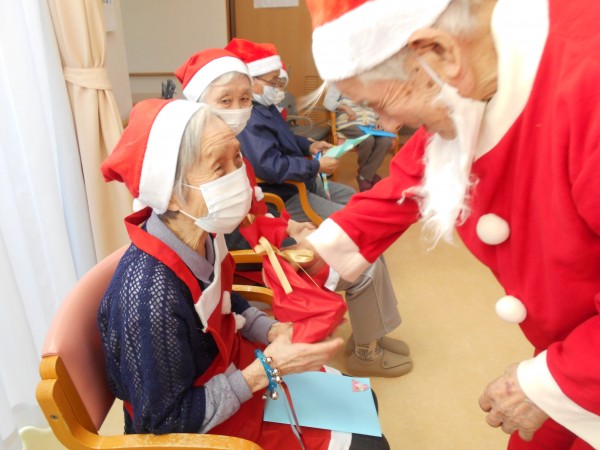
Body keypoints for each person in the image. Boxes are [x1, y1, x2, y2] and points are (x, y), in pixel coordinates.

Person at [296, 0, 600, 449]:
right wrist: (318, 253)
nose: (387, 124)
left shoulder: (587, 83)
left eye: (379, 104)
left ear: (439, 52)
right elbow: (410, 178)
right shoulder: (479, 68)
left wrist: (553, 382)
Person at [98, 98, 394, 449]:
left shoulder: (204, 231)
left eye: (237, 158)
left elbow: (225, 298)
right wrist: (267, 368)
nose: (238, 176)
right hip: (197, 426)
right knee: (371, 444)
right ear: (171, 194)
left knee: (363, 400)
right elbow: (162, 423)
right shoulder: (151, 298)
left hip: (232, 366)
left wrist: (270, 329)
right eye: (218, 167)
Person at [174, 48, 413, 378]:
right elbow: (230, 234)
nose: (239, 109)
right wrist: (288, 238)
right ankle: (366, 351)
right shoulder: (197, 166)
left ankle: (370, 334)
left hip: (268, 239)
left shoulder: (232, 151)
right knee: (363, 260)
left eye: (244, 99)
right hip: (261, 256)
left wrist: (288, 227)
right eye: (226, 101)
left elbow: (252, 214)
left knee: (365, 242)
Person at [224, 38, 355, 224]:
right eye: (273, 82)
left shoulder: (266, 107)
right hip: (285, 193)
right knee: (348, 219)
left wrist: (310, 146)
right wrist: (316, 166)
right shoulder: (249, 119)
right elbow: (270, 166)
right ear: (250, 81)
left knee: (351, 197)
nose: (277, 87)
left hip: (301, 180)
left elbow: (285, 138)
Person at [323, 84, 394, 192]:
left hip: (370, 125)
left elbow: (376, 106)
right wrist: (344, 107)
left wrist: (379, 119)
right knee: (367, 140)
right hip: (349, 123)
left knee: (385, 141)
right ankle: (368, 176)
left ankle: (365, 175)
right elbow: (328, 102)